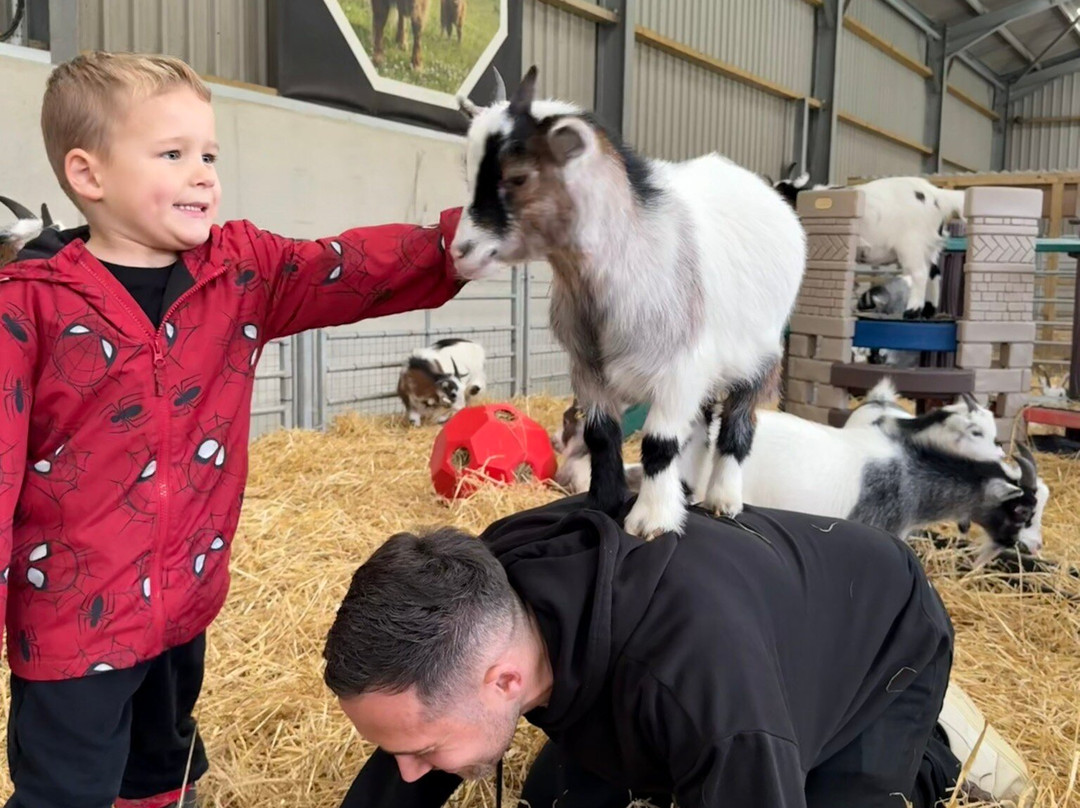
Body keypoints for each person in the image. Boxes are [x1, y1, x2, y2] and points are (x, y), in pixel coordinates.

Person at [0, 51, 465, 808]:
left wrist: (462, 242)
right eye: (173, 155)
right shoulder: (29, 306)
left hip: (183, 604)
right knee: (67, 791)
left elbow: (345, 268)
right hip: (73, 626)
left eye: (209, 156)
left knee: (161, 769)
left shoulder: (238, 273)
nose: (203, 176)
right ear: (89, 175)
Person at [324, 495, 1031, 808]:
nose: (409, 770)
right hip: (749, 600)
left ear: (505, 679)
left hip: (875, 627)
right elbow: (416, 720)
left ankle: (932, 746)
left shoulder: (709, 700)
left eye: (423, 750)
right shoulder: (481, 591)